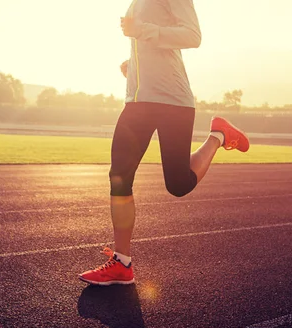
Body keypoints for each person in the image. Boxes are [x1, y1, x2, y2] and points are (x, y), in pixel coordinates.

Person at [79, 0, 250, 286]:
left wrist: (142, 29)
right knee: (119, 176)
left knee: (178, 184)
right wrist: (134, 64)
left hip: (173, 101)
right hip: (138, 102)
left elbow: (192, 36)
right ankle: (122, 262)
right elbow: (151, 44)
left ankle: (218, 136)